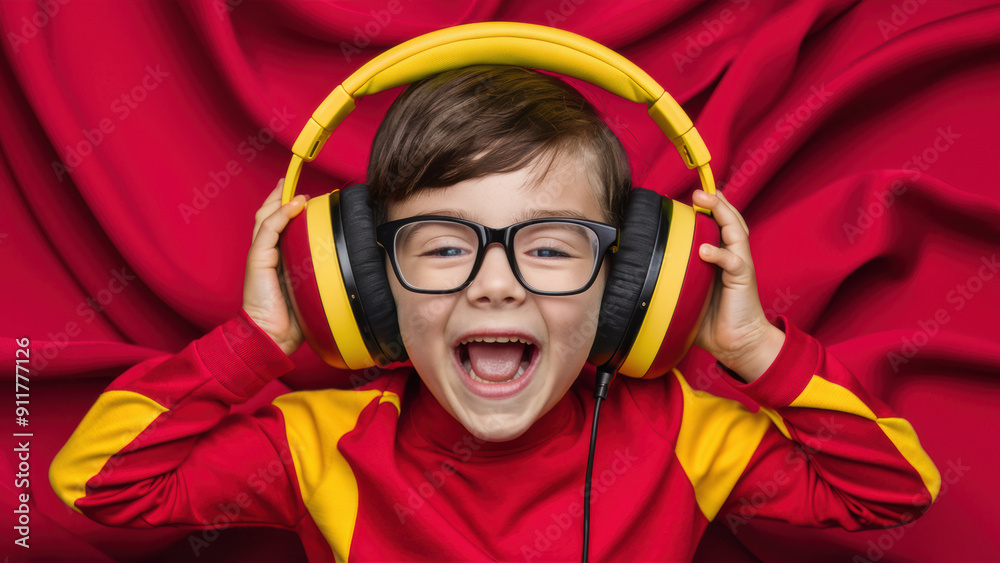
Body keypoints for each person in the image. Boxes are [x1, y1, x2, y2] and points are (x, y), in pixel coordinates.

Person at [50, 65, 940, 562]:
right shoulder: (319, 443)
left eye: (550, 246)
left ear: (630, 283)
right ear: (366, 283)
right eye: (442, 245)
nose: (496, 284)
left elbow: (896, 488)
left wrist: (748, 344)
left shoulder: (688, 438)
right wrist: (259, 342)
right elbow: (93, 483)